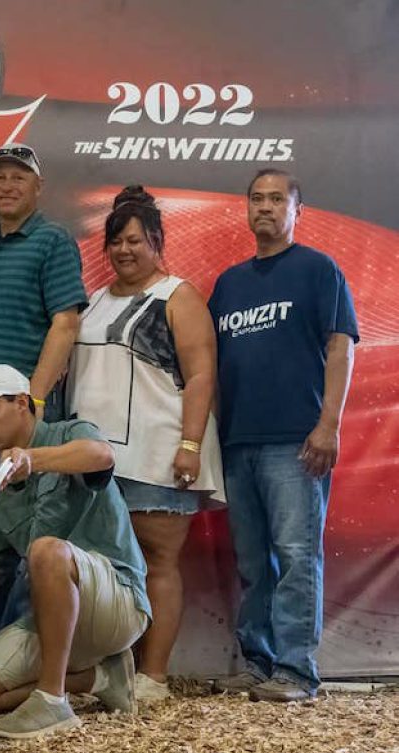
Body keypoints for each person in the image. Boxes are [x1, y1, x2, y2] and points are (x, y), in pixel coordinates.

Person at [0, 365, 151, 739]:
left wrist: (34, 460)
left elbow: (101, 455)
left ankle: (52, 701)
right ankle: (100, 678)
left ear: (22, 403)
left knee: (46, 553)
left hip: (117, 602)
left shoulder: (69, 432)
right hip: (55, 623)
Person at [67, 186, 223, 702]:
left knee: (157, 561)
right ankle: (114, 671)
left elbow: (201, 377)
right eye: (116, 241)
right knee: (105, 568)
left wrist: (191, 444)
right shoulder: (92, 302)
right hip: (97, 460)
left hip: (158, 454)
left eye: (136, 240)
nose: (124, 250)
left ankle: (153, 675)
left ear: (157, 242)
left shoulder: (179, 296)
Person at [208, 169, 358, 703]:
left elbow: (341, 347)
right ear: (246, 208)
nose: (265, 207)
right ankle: (258, 661)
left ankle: (297, 671)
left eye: (277, 199)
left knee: (296, 555)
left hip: (297, 441)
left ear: (298, 211)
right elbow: (214, 367)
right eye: (257, 198)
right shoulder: (228, 284)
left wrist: (329, 424)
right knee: (253, 563)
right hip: (237, 441)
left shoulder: (319, 270)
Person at [0, 142, 88, 636]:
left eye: (18, 177)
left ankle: (30, 646)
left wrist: (32, 402)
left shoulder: (52, 241)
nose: (7, 185)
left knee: (33, 532)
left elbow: (65, 324)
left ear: (38, 187)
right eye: (0, 177)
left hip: (22, 417)